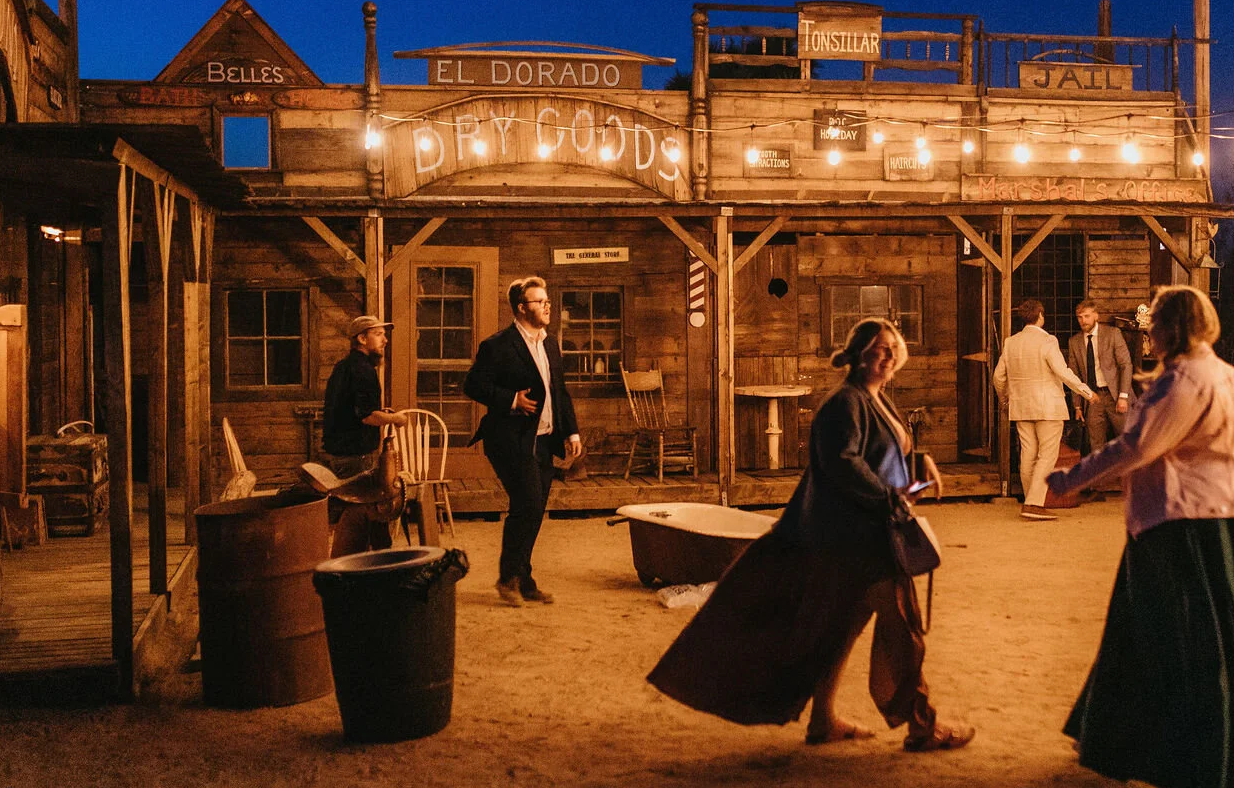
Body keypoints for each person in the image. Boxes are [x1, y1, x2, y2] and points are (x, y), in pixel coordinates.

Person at [647, 318, 973, 752]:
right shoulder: (846, 403)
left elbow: (882, 450)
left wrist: (919, 460)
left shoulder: (875, 399)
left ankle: (822, 721)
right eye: (879, 348)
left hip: (865, 534)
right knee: (903, 631)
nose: (889, 355)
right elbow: (844, 463)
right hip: (862, 539)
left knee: (841, 629)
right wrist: (888, 499)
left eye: (894, 348)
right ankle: (922, 726)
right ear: (859, 354)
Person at [1046, 285, 1234, 788]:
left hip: (1187, 526)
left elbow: (1137, 447)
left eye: (1154, 322)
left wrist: (1069, 479)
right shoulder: (1227, 375)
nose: (1148, 330)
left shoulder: (1185, 381)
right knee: (1210, 635)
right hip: (1229, 520)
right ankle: (1123, 738)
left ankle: (1188, 758)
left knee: (1174, 639)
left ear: (1172, 328)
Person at [464, 276, 584, 607]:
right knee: (528, 504)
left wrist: (571, 432)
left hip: (544, 440)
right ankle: (507, 578)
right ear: (521, 308)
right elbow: (472, 386)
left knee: (533, 509)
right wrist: (510, 400)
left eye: (547, 301)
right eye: (539, 301)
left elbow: (559, 391)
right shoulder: (498, 345)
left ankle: (525, 579)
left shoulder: (549, 344)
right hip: (508, 440)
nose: (548, 306)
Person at [991, 299, 1092, 520]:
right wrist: (1086, 392)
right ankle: (1034, 504)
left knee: (1028, 454)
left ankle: (1030, 500)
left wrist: (1005, 398)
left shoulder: (1011, 342)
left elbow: (998, 377)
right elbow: (1062, 371)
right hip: (1048, 406)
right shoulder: (1048, 341)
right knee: (1047, 455)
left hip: (1021, 406)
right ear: (1040, 316)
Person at [320, 315, 406, 479]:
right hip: (355, 458)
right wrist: (397, 418)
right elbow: (367, 417)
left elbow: (352, 409)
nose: (385, 340)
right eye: (379, 334)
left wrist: (382, 414)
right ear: (362, 338)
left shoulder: (343, 366)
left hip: (337, 455)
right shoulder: (363, 370)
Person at [1066, 299, 1134, 455]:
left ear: (1096, 315)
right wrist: (1077, 405)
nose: (1083, 321)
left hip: (1115, 395)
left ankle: (1130, 477)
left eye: (1087, 316)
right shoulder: (1074, 342)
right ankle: (1101, 479)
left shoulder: (1112, 334)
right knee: (1095, 443)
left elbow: (1126, 365)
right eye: (1080, 317)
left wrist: (1123, 396)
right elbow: (1073, 375)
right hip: (1092, 397)